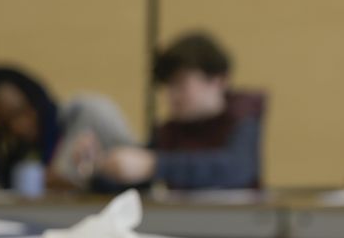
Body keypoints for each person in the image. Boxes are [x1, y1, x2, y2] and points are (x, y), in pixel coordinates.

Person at [88, 32, 263, 191]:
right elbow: (136, 179)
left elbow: (236, 169)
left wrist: (154, 166)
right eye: (169, 85)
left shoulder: (242, 117)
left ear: (218, 81)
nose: (171, 95)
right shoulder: (170, 130)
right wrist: (99, 167)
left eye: (181, 83)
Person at [0, 66, 135, 193]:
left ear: (35, 98)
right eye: (5, 125)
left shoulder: (89, 114)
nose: (17, 127)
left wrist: (86, 183)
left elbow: (137, 176)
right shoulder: (14, 157)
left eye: (20, 112)